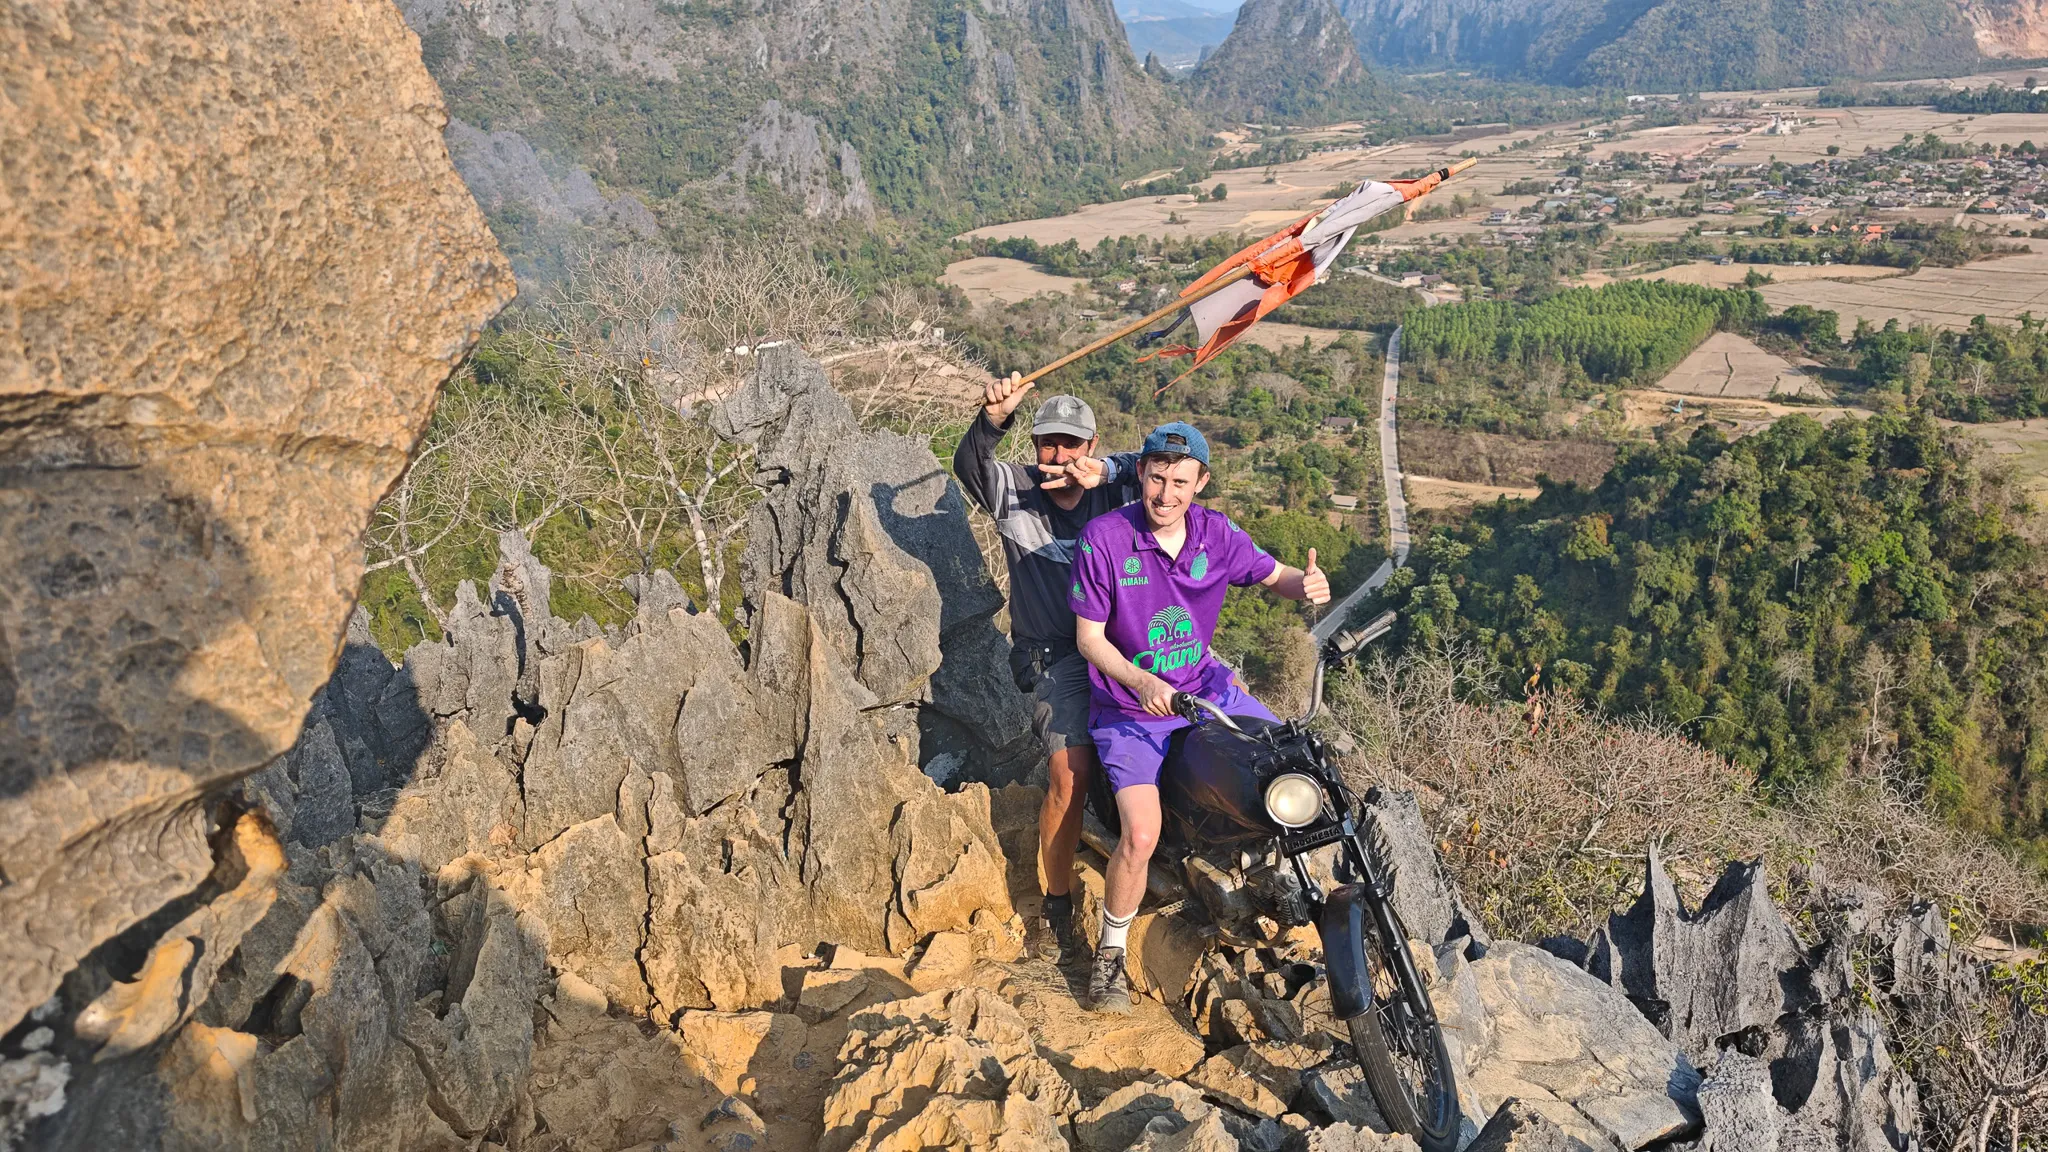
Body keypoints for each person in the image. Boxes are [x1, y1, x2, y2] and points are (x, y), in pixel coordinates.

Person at [1068, 421, 1329, 1013]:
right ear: (1139, 474)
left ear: (1201, 483)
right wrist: (1140, 680)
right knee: (1139, 834)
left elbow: (1274, 576)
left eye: (1180, 482)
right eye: (1156, 478)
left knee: (1290, 760)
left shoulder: (1215, 533)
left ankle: (1289, 878)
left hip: (1207, 688)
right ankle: (1109, 953)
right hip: (1131, 707)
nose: (1165, 494)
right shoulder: (1104, 538)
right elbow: (1089, 638)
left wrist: (1305, 583)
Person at [953, 371, 1140, 966]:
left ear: (1091, 445)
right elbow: (969, 461)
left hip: (1121, 647)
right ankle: (1055, 906)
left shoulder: (1116, 494)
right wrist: (994, 418)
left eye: (1072, 444)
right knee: (1069, 772)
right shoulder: (1014, 487)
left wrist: (1108, 472)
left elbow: (1166, 462)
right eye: (1047, 443)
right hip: (1054, 653)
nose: (1058, 455)